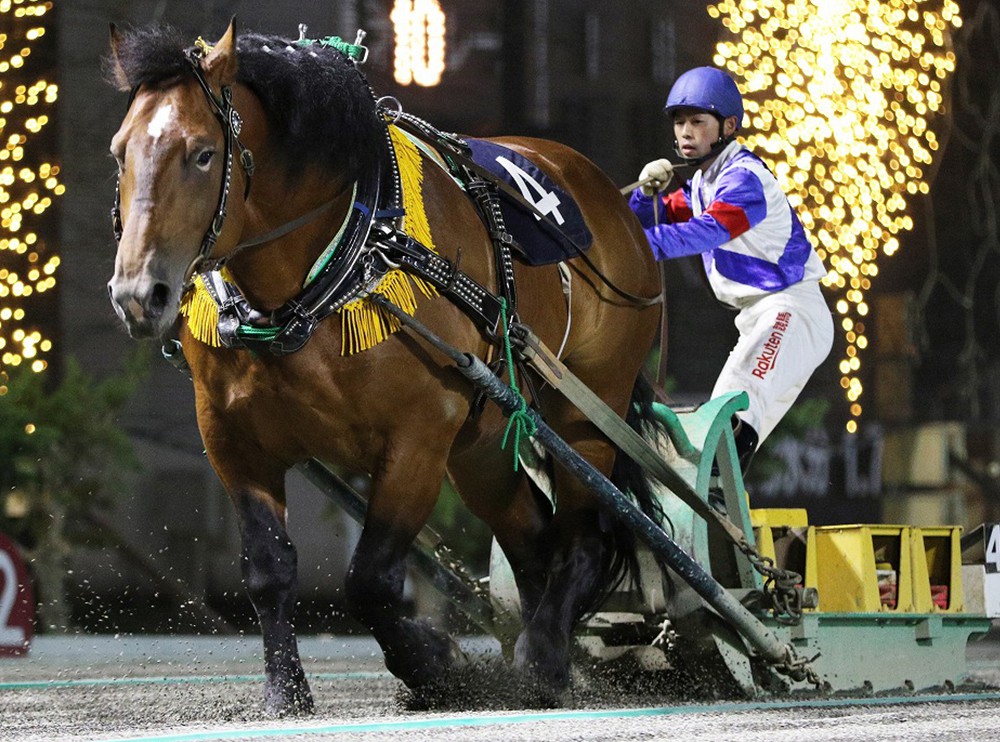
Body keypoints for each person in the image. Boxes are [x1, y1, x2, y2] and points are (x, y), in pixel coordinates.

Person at [630, 66, 833, 476]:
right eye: (679, 122)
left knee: (726, 416)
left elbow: (703, 232)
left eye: (697, 122)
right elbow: (653, 218)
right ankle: (718, 508)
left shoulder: (744, 180)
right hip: (759, 316)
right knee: (723, 424)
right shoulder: (706, 181)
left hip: (790, 310)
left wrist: (638, 251)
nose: (685, 132)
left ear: (728, 126)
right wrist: (641, 194)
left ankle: (713, 505)